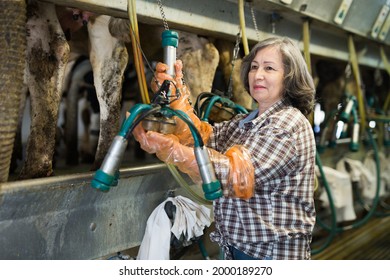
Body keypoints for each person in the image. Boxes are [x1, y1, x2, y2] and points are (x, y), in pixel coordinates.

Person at [132, 36, 316, 260]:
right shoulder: (248, 122)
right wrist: (177, 101)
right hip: (239, 251)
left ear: (289, 77)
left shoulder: (288, 124)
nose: (258, 75)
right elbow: (204, 139)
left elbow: (237, 175)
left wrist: (175, 151)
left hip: (272, 255)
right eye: (254, 67)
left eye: (269, 68)